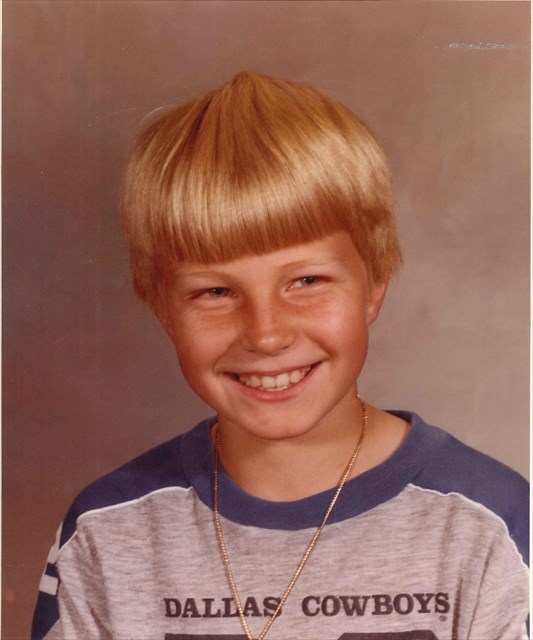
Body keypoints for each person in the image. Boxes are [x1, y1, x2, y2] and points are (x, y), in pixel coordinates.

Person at [32, 71, 529, 640]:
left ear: (374, 284)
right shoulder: (106, 531)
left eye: (307, 280)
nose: (266, 334)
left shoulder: (490, 523)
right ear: (164, 310)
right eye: (215, 292)